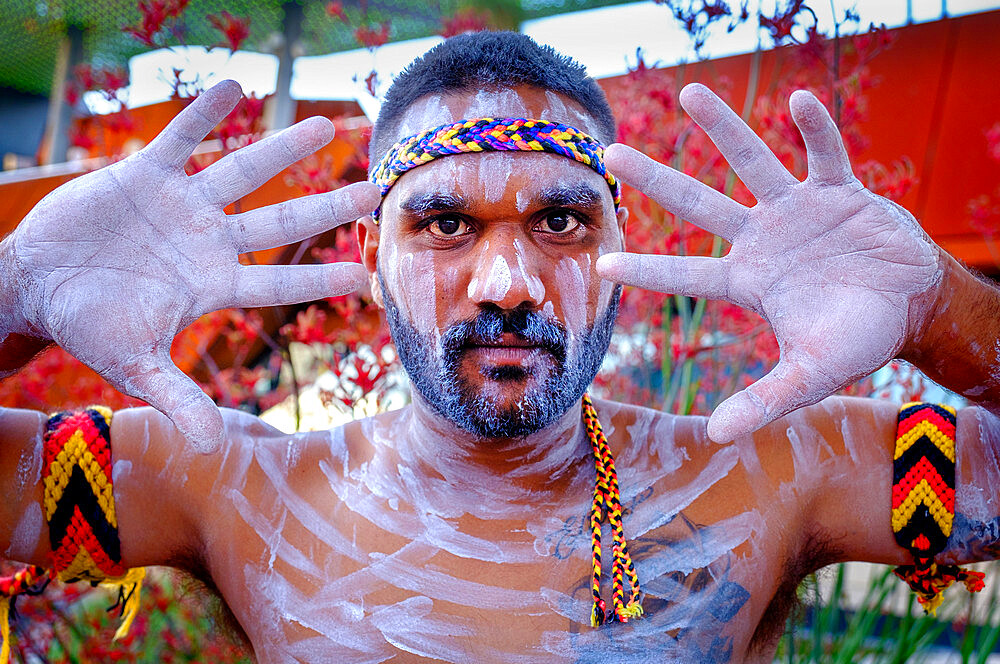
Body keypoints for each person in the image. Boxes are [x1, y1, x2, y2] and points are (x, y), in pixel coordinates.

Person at [1, 31, 999, 663]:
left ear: (620, 240)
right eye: (443, 225)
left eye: (560, 223)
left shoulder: (772, 471)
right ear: (368, 252)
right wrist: (17, 292)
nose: (506, 284)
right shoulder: (231, 485)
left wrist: (941, 309)